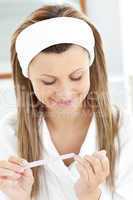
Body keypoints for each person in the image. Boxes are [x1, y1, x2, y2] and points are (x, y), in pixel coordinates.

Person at [0, 3, 133, 200]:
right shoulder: (10, 133)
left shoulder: (124, 128)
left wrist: (90, 195)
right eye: (48, 81)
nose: (65, 93)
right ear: (27, 77)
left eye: (76, 77)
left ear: (91, 69)